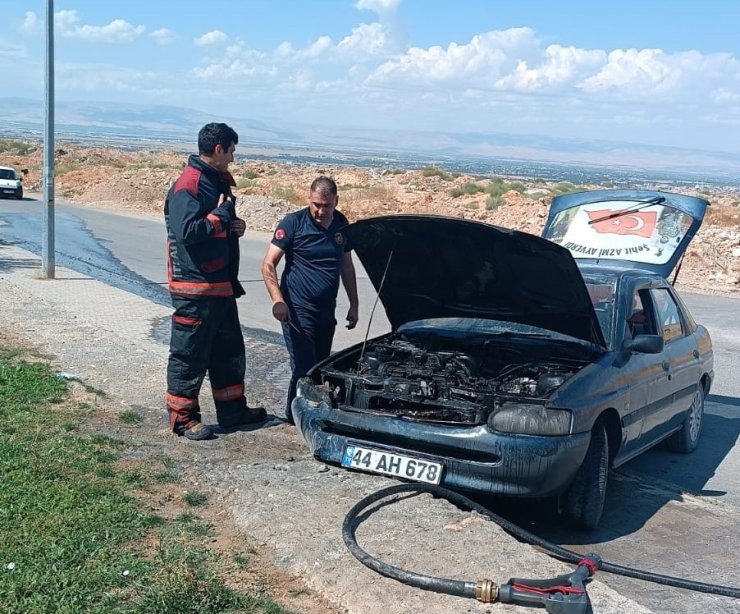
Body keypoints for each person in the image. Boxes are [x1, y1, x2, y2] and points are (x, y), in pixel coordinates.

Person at [164, 122, 265, 440]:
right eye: (232, 150)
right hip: (194, 290)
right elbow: (188, 233)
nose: (234, 157)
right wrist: (220, 217)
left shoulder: (214, 181)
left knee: (229, 352)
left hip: (220, 286)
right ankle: (182, 418)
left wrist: (234, 225)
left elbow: (215, 225)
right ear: (219, 149)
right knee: (189, 353)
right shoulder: (189, 184)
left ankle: (233, 412)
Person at [261, 176, 359, 424]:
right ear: (309, 199)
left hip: (326, 312)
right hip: (296, 310)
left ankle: (310, 415)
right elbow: (268, 264)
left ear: (336, 201)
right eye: (316, 204)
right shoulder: (293, 223)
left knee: (321, 367)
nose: (320, 211)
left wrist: (354, 304)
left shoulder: (341, 223)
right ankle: (294, 419)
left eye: (326, 205)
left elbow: (346, 266)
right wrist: (277, 300)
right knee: (304, 368)